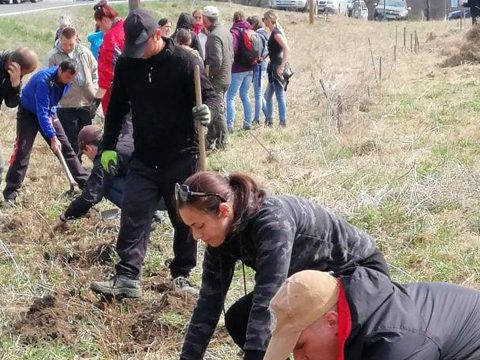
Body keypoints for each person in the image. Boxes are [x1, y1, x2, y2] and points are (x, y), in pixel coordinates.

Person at [177, 171, 388, 360]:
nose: (196, 236)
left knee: (321, 334)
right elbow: (208, 304)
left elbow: (266, 299)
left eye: (199, 225)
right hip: (314, 283)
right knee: (239, 319)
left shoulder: (272, 223)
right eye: (190, 228)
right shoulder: (219, 238)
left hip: (358, 276)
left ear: (223, 210)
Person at [89, 9, 221, 299]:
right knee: (134, 212)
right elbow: (116, 109)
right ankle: (127, 276)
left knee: (183, 217)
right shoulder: (127, 65)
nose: (137, 54)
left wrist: (208, 111)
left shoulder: (185, 62)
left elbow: (210, 96)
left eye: (141, 46)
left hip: (181, 155)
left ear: (158, 34)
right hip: (145, 155)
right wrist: (108, 146)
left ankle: (182, 275)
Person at [264, 268, 480, 360]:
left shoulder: (397, 345)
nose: (299, 358)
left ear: (332, 322)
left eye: (300, 346)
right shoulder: (356, 312)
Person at [2, 59, 89, 203]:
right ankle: (10, 193)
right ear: (60, 70)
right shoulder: (44, 80)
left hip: (48, 111)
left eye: (72, 79)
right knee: (22, 150)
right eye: (67, 77)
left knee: (65, 146)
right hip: (29, 112)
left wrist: (54, 133)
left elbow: (52, 104)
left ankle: (85, 184)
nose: (69, 81)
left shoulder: (68, 80)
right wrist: (52, 136)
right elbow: (41, 111)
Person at [53, 123, 166, 229]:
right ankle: (154, 214)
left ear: (88, 148)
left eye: (84, 153)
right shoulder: (123, 137)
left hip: (163, 198)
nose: (86, 157)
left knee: (106, 185)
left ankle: (141, 217)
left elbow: (91, 196)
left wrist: (64, 217)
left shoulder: (105, 159)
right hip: (174, 188)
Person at [46, 26, 99, 157]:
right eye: (64, 44)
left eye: (71, 44)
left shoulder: (85, 52)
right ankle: (75, 168)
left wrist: (95, 91)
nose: (68, 47)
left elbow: (95, 72)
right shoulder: (53, 56)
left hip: (85, 104)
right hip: (65, 106)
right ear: (60, 39)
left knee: (86, 140)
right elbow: (48, 80)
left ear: (76, 39)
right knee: (71, 141)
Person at [0, 47, 38, 200]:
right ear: (13, 64)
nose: (22, 76)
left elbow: (11, 103)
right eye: (23, 74)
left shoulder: (13, 73)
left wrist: (15, 85)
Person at [202, 5, 233, 150]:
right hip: (226, 76)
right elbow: (231, 55)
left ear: (207, 19)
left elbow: (216, 61)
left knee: (217, 110)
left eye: (203, 18)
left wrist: (208, 76)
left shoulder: (214, 35)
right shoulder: (225, 31)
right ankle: (210, 139)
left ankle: (223, 141)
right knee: (218, 108)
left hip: (217, 79)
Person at [93, 0, 124, 115]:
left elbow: (106, 73)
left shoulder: (111, 39)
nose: (100, 29)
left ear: (105, 20)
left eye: (99, 25)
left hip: (116, 94)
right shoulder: (127, 27)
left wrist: (97, 100)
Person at [226, 11, 254, 132]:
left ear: (234, 19)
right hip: (250, 68)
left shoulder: (234, 32)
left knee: (230, 97)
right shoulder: (251, 31)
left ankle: (229, 125)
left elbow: (233, 49)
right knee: (245, 96)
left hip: (237, 69)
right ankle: (248, 123)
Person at [263, 10, 289, 127]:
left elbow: (286, 49)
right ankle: (269, 120)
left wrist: (282, 67)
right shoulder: (273, 32)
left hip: (277, 67)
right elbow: (274, 49)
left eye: (264, 19)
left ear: (269, 20)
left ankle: (282, 122)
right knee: (267, 96)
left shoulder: (276, 33)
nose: (264, 22)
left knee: (279, 95)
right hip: (273, 67)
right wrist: (265, 56)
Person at [247, 16, 268, 125]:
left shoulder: (258, 35)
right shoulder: (264, 33)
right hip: (262, 66)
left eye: (249, 24)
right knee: (259, 94)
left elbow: (258, 51)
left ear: (254, 24)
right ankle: (269, 116)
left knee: (258, 95)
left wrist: (255, 59)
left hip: (259, 67)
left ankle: (256, 119)